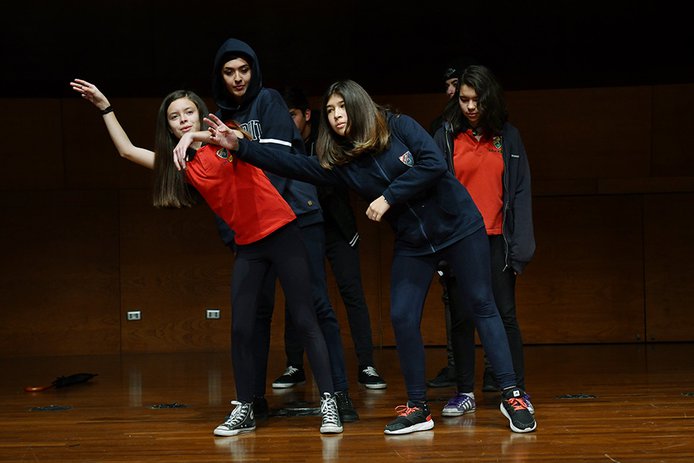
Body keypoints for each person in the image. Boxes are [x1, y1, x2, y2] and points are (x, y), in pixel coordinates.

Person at [176, 79, 537, 435]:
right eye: (330, 110)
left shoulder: (398, 126)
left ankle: (513, 395)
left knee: (481, 304)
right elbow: (292, 164)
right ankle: (418, 408)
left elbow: (433, 164)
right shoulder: (343, 162)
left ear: (358, 104)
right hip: (414, 242)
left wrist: (388, 197)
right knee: (402, 316)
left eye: (342, 107)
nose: (335, 115)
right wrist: (240, 146)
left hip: (459, 227)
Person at [69, 81, 343, 435]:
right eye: (175, 117)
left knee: (305, 318)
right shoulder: (182, 164)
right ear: (168, 126)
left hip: (282, 232)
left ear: (200, 114)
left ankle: (329, 403)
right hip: (249, 246)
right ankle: (245, 407)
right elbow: (127, 151)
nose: (183, 120)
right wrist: (105, 107)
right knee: (241, 328)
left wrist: (195, 136)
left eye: (188, 112)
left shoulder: (223, 133)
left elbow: (235, 138)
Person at [208, 38, 358, 422]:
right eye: (229, 72)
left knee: (315, 305)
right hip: (254, 228)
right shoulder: (220, 117)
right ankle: (253, 400)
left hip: (296, 215)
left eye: (244, 70)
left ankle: (338, 395)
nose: (238, 78)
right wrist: (236, 231)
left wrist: (256, 217)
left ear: (254, 70)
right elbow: (220, 183)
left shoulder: (269, 100)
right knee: (257, 313)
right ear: (219, 76)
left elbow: (276, 163)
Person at [433, 64, 535, 417]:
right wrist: (440, 250)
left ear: (490, 98)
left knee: (505, 315)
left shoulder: (509, 136)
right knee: (462, 318)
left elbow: (520, 191)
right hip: (459, 241)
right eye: (464, 99)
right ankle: (464, 392)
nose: (471, 106)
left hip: (496, 240)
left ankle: (516, 390)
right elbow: (435, 193)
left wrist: (521, 249)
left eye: (477, 99)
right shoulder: (447, 136)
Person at [272, 86, 386, 390]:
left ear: (307, 115)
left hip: (336, 227)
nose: (288, 122)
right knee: (298, 293)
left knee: (352, 292)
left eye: (293, 115)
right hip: (302, 227)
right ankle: (294, 365)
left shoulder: (328, 138)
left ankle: (367, 365)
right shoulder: (283, 145)